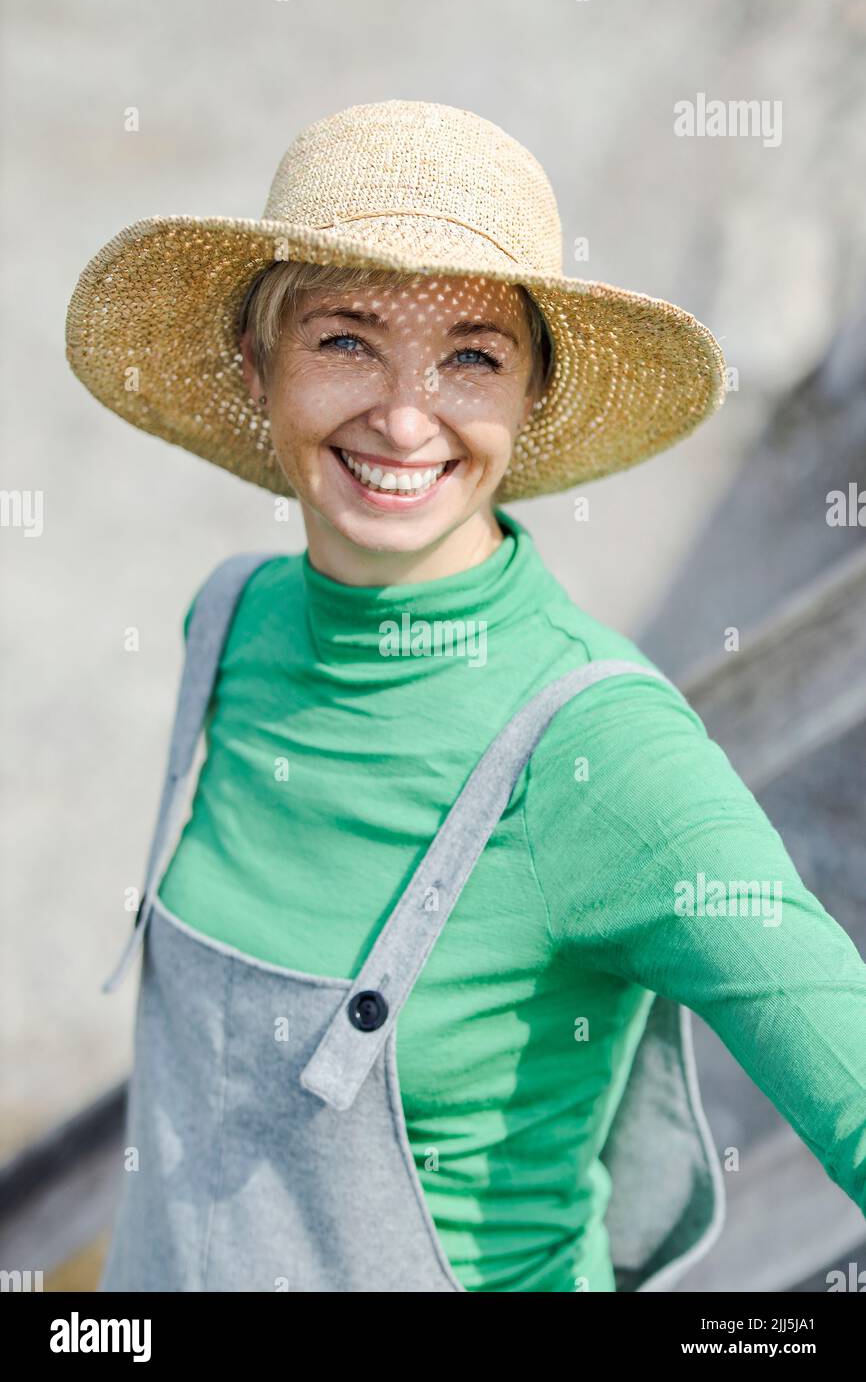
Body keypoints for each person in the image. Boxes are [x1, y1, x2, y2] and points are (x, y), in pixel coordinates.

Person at [66, 99, 866, 1293]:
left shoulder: (603, 748)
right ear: (256, 362)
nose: (402, 416)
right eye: (344, 339)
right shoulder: (225, 623)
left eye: (471, 357)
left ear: (530, 397)